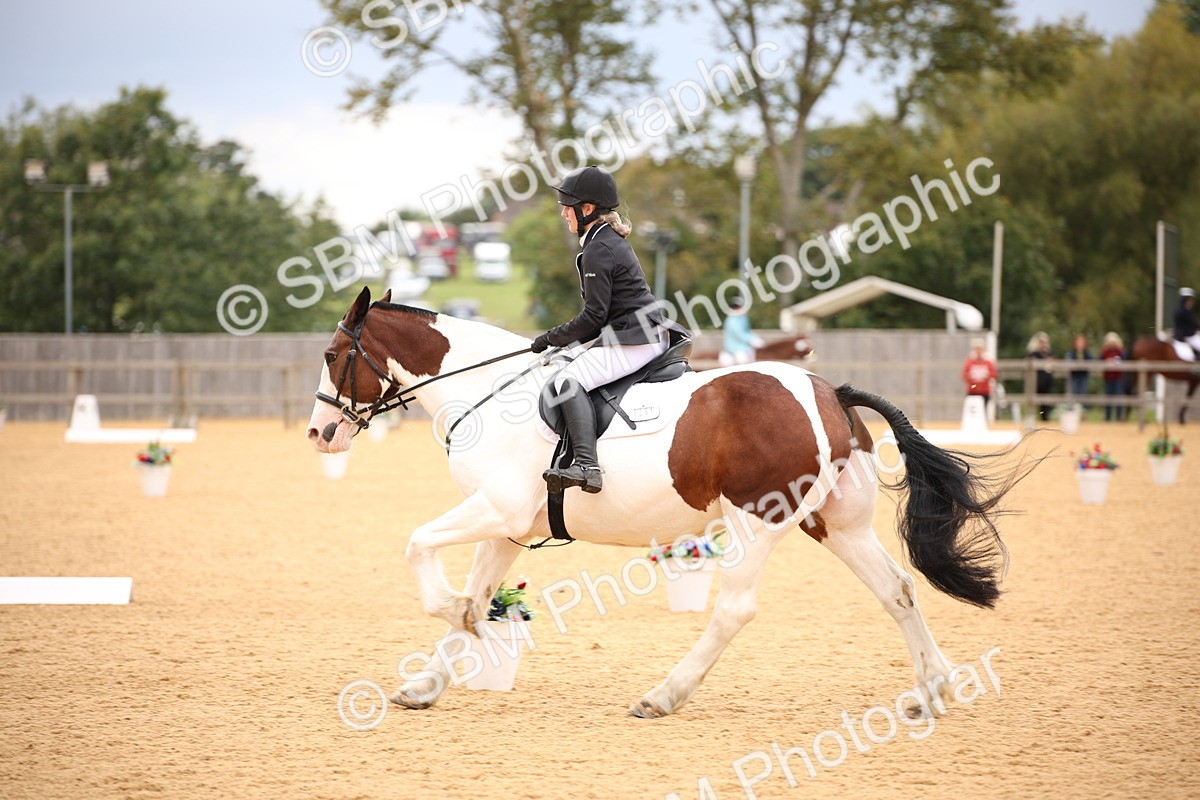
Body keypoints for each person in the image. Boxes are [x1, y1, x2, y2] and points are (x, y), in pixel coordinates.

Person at [529, 165, 682, 494]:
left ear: (586, 209)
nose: (563, 214)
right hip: (634, 333)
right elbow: (600, 318)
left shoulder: (599, 248)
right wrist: (564, 343)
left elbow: (594, 317)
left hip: (635, 338)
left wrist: (550, 338)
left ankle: (587, 466)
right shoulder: (602, 240)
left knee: (568, 381)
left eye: (567, 208)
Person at [719, 295, 764, 366]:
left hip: (745, 348)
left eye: (738, 306)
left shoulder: (743, 318)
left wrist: (754, 336)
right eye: (734, 307)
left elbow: (746, 330)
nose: (737, 308)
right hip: (735, 351)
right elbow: (738, 333)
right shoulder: (731, 320)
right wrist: (751, 339)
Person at [961, 338, 997, 411]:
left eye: (980, 349)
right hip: (972, 390)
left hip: (984, 391)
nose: (979, 351)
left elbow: (994, 374)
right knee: (972, 410)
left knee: (983, 410)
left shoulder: (988, 362)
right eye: (977, 349)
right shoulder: (970, 362)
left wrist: (986, 376)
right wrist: (971, 377)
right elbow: (964, 375)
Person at [1027, 331, 1054, 421]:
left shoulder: (1048, 354)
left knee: (1045, 403)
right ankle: (1031, 419)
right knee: (1033, 402)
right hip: (1035, 382)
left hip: (1046, 383)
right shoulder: (1033, 354)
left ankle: (1045, 419)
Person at [1100, 331, 1126, 422]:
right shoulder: (1104, 351)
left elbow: (1123, 360)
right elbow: (1101, 360)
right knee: (1108, 397)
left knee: (1119, 397)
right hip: (1108, 377)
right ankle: (1108, 417)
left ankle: (1119, 417)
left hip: (1118, 377)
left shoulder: (1120, 351)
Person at [1065, 334, 1092, 407]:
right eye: (1078, 342)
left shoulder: (1087, 353)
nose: (1080, 344)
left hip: (1083, 376)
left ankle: (1084, 409)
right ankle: (1072, 408)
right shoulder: (1072, 353)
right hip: (1074, 376)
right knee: (1073, 393)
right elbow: (1068, 362)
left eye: (1081, 342)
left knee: (1084, 393)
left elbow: (1091, 362)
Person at [1174, 287, 1200, 359]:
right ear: (1187, 300)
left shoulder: (1178, 310)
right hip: (1189, 336)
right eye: (1191, 300)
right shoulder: (1186, 311)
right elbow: (1194, 324)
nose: (1192, 302)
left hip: (1181, 335)